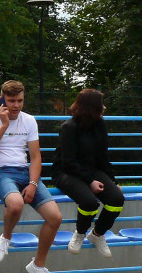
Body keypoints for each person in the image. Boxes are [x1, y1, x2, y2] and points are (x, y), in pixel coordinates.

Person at [0, 80, 62, 273]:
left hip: (24, 172)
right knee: (15, 204)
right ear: (2, 99)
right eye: (11, 100)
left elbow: (35, 156)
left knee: (55, 217)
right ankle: (6, 237)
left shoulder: (29, 120)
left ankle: (38, 265)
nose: (16, 105)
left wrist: (33, 183)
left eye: (20, 100)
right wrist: (3, 125)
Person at [51, 89, 124, 258]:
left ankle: (97, 234)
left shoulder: (100, 125)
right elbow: (68, 161)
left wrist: (113, 181)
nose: (104, 107)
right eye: (100, 105)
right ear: (92, 107)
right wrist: (90, 181)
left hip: (91, 170)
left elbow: (103, 157)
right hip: (66, 171)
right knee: (89, 202)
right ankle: (80, 233)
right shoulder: (68, 128)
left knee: (116, 199)